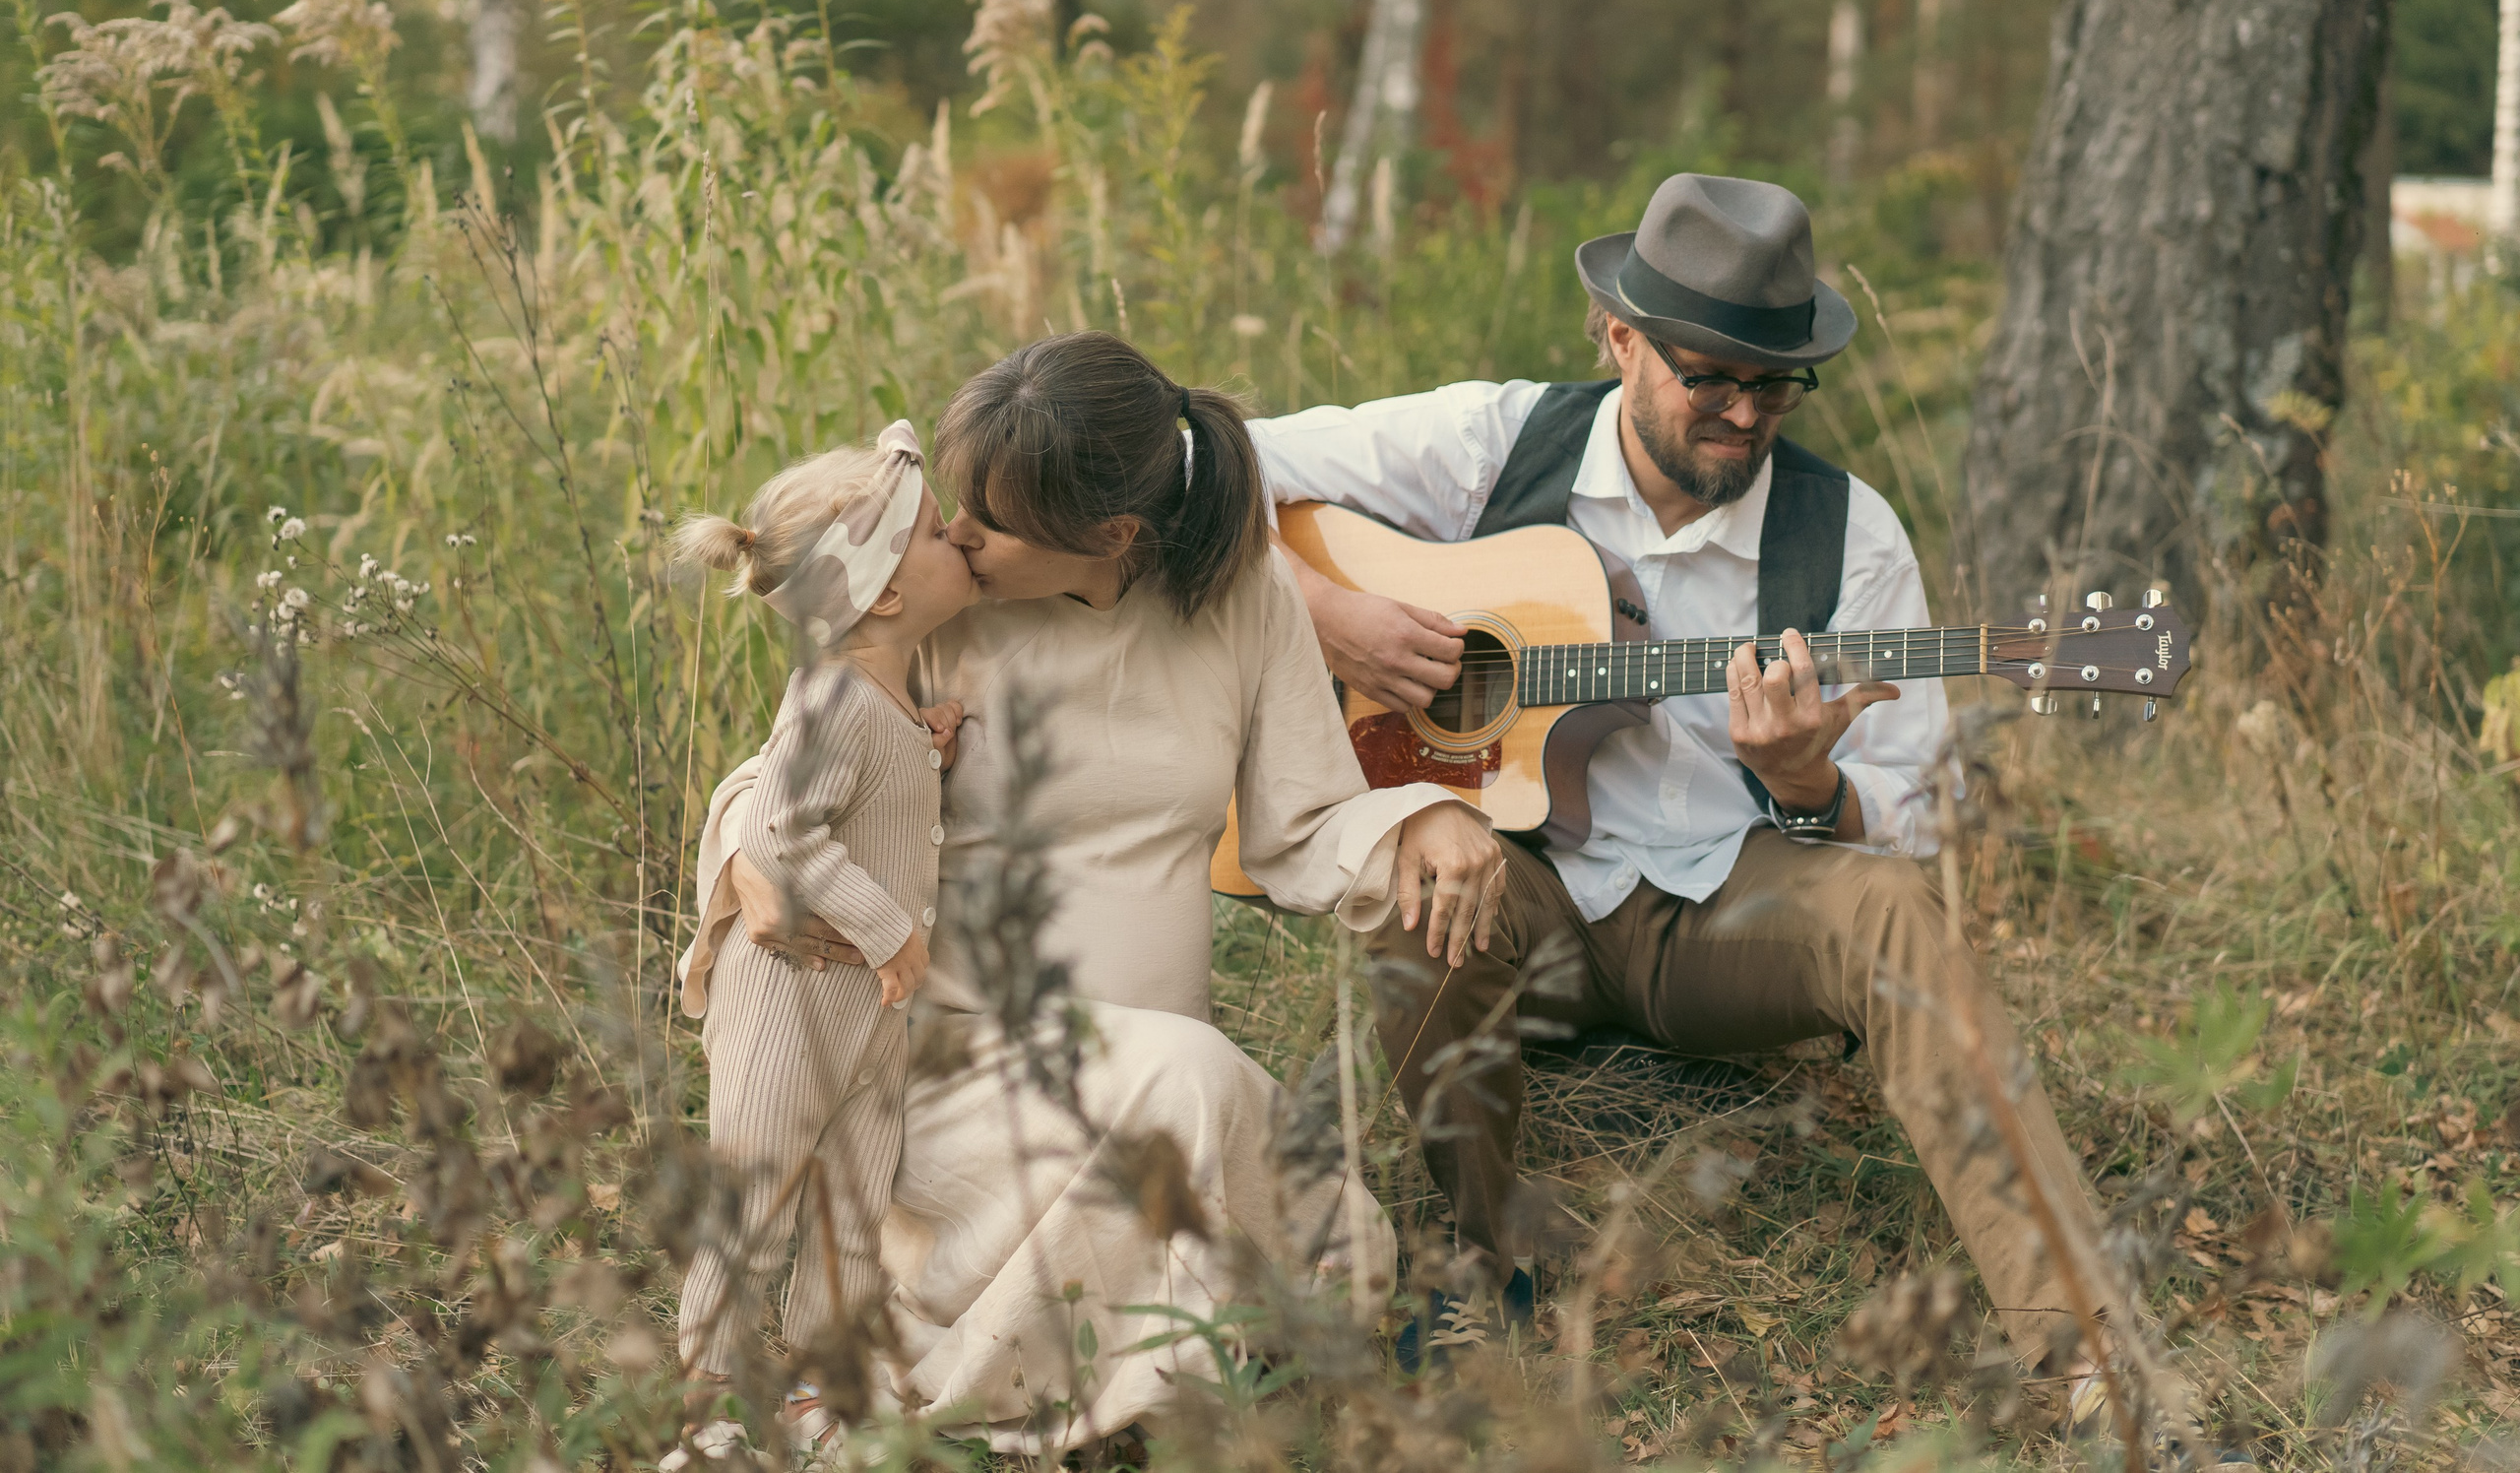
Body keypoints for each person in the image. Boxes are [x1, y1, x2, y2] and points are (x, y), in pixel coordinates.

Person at [1246, 172, 2101, 1376]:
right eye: (1708, 376)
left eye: (1774, 385)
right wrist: (1333, 617)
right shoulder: (1490, 443)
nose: (1745, 416)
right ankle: (1484, 1270)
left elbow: (1924, 809)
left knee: (1897, 919)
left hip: (1727, 913)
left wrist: (1812, 787)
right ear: (1619, 340)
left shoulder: (1848, 534)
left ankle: (2080, 1350)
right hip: (1520, 894)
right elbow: (1203, 457)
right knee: (1408, 893)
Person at [695, 331, 1504, 1455]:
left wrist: (1421, 817)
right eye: (954, 499)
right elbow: (782, 770)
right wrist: (743, 850)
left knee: (1266, 1171)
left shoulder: (1246, 597)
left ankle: (1175, 1349)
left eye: (990, 517)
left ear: (1112, 535)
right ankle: (974, 1380)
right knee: (1190, 1086)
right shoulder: (936, 606)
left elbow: (1303, 827)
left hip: (1142, 1070)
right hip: (947, 1066)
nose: (955, 530)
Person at [665, 420, 975, 1462]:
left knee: (852, 1191)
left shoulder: (878, 694)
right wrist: (894, 935)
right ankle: (704, 1398)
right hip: (794, 992)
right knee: (758, 1187)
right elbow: (780, 832)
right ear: (886, 592)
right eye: (937, 532)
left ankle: (813, 1386)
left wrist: (929, 739)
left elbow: (866, 801)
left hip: (867, 1008)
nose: (961, 537)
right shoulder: (836, 696)